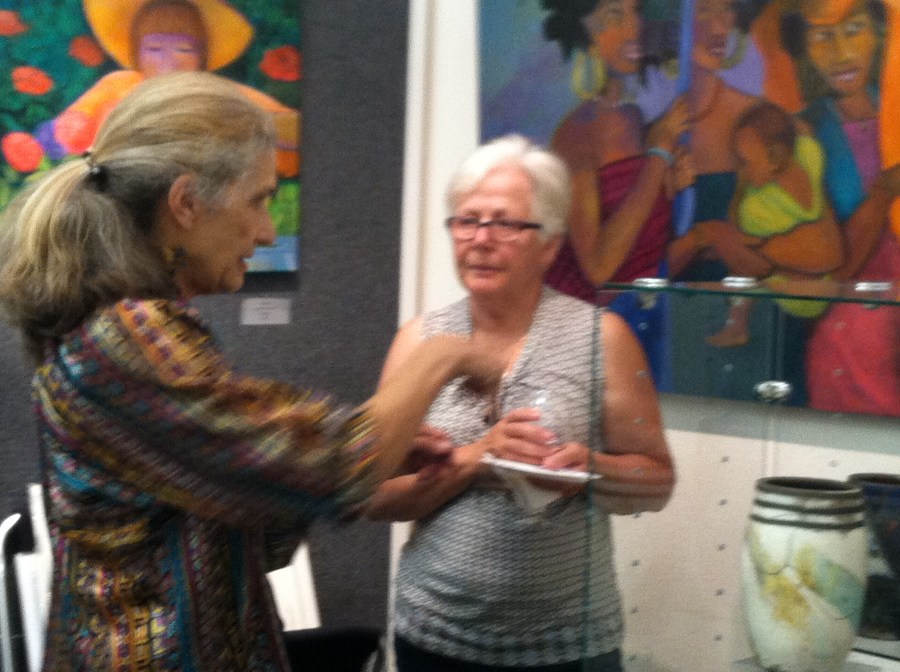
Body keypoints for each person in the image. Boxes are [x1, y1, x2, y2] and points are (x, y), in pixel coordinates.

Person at [0, 71, 501, 672]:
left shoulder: (122, 330)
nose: (267, 231)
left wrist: (379, 454)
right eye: (258, 200)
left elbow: (245, 521)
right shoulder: (125, 337)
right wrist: (443, 355)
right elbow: (338, 463)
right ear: (186, 203)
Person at [366, 135, 676, 672]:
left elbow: (657, 481)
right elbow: (371, 495)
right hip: (435, 636)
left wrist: (590, 470)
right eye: (467, 221)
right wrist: (476, 459)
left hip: (568, 646)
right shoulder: (419, 341)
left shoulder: (601, 338)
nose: (481, 240)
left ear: (550, 245)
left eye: (505, 224)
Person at [778, 0, 900, 416]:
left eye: (854, 30)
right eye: (822, 36)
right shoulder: (802, 134)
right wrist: (886, 189)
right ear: (803, 45)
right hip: (849, 347)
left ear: (879, 33)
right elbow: (831, 269)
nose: (841, 52)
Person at [53, 0, 300, 177]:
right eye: (154, 49)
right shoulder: (119, 84)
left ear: (202, 55)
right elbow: (74, 123)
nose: (169, 61)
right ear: (137, 52)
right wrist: (78, 126)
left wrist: (235, 124)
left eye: (183, 49)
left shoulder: (218, 93)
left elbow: (293, 130)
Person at [697, 100, 844, 347]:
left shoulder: (755, 208)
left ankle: (736, 324)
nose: (742, 171)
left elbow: (742, 238)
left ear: (776, 157)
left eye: (746, 162)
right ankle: (738, 322)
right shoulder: (809, 153)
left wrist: (740, 192)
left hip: (801, 299)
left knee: (744, 266)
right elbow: (801, 132)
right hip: (818, 287)